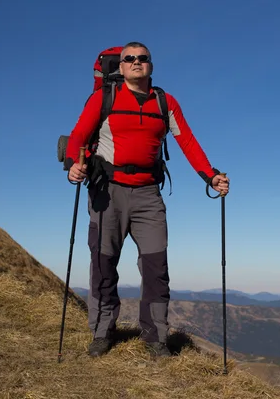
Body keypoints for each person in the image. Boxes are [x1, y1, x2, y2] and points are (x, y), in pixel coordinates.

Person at [65, 41, 230, 358]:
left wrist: (210, 175)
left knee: (156, 267)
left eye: (143, 58)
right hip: (106, 191)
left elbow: (187, 141)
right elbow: (78, 137)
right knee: (104, 263)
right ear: (121, 67)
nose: (137, 62)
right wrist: (74, 163)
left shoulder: (166, 102)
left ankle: (155, 339)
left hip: (148, 195)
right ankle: (102, 334)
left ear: (150, 65)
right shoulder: (105, 98)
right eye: (130, 59)